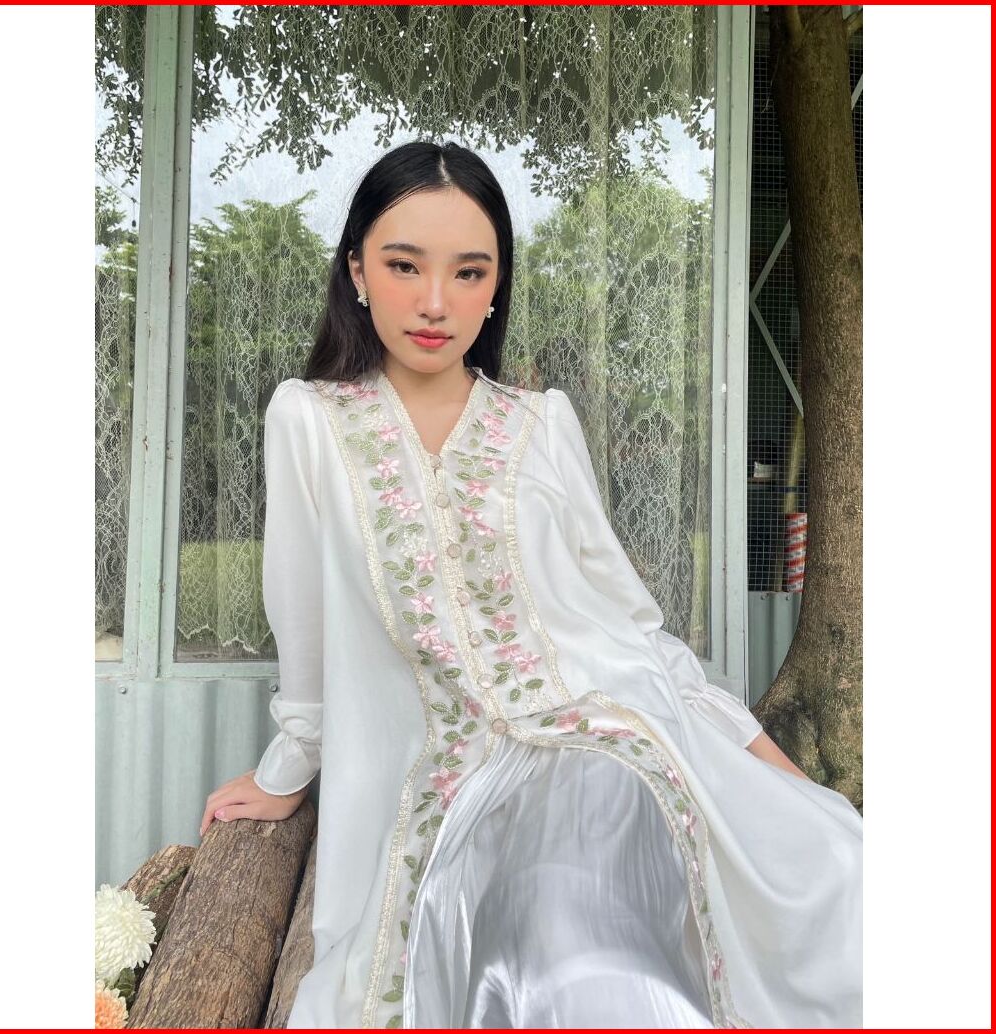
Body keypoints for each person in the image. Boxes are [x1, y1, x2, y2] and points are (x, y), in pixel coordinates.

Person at [199, 140, 863, 1029]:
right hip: (443, 788)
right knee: (544, 946)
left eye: (469, 272)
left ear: (496, 286)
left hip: (603, 746)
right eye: (404, 265)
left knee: (817, 880)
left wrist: (768, 767)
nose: (436, 303)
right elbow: (305, 620)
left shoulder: (541, 424)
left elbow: (629, 626)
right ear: (357, 270)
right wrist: (291, 765)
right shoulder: (309, 420)